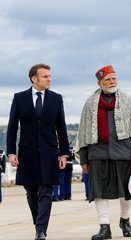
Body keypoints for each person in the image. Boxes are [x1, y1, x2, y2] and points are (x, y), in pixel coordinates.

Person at [75, 65, 131, 240]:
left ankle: (125, 220)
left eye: (114, 78)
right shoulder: (90, 104)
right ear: (100, 83)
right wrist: (84, 159)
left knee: (126, 191)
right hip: (97, 154)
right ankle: (104, 227)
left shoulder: (128, 101)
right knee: (99, 192)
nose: (112, 82)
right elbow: (83, 133)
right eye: (108, 79)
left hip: (122, 153)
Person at [6, 63, 69, 240]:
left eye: (50, 76)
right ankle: (38, 223)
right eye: (45, 76)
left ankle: (41, 230)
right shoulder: (19, 98)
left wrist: (64, 153)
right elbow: (12, 127)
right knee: (31, 191)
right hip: (27, 153)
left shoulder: (56, 98)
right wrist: (11, 152)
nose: (49, 79)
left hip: (50, 152)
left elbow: (61, 127)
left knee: (45, 191)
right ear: (34, 79)